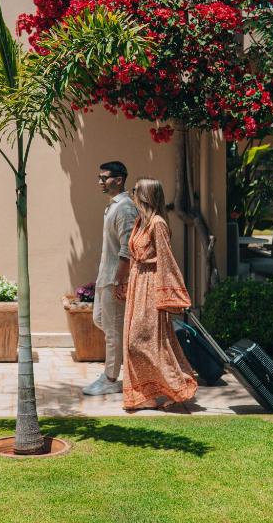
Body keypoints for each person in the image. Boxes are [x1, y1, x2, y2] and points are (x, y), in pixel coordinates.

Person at [122, 177, 197, 411]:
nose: (132, 194)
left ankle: (178, 386)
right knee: (135, 342)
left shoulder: (157, 224)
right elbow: (134, 256)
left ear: (145, 195)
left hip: (151, 286)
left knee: (144, 342)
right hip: (138, 284)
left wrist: (170, 294)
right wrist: (127, 283)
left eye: (135, 190)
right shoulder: (140, 222)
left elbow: (166, 259)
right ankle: (148, 395)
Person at [83, 161, 137, 396]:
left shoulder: (125, 208)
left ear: (119, 179)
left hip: (115, 279)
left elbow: (127, 249)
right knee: (101, 321)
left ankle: (111, 379)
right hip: (105, 276)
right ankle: (113, 371)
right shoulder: (113, 206)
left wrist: (119, 281)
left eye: (104, 178)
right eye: (99, 177)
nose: (100, 182)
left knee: (113, 331)